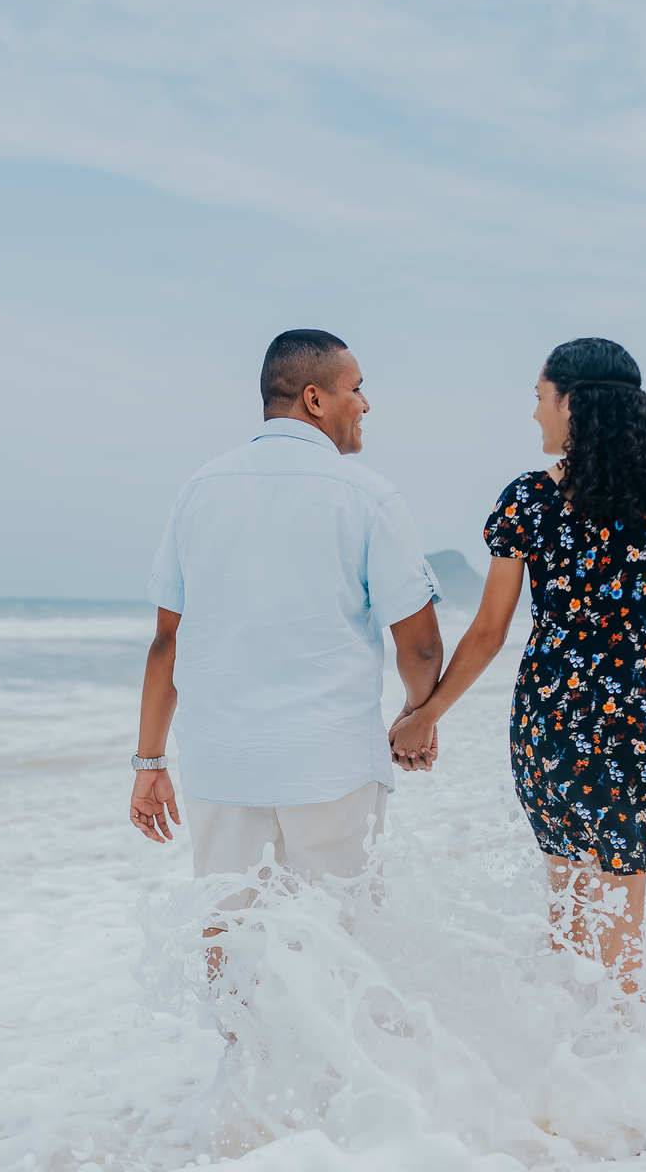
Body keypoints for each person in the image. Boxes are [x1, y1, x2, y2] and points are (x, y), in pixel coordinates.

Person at [391, 337, 646, 995]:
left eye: (540, 398)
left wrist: (425, 715)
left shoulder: (529, 500)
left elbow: (487, 632)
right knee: (624, 893)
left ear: (572, 403)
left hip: (552, 708)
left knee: (566, 886)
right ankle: (628, 1039)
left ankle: (567, 1043)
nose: (535, 414)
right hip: (639, 703)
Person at [129, 329, 443, 904]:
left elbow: (166, 642)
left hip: (221, 763)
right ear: (315, 399)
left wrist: (149, 761)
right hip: (332, 764)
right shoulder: (371, 496)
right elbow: (419, 645)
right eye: (357, 389)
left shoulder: (199, 490)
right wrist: (417, 717)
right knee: (342, 944)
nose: (367, 404)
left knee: (226, 936)